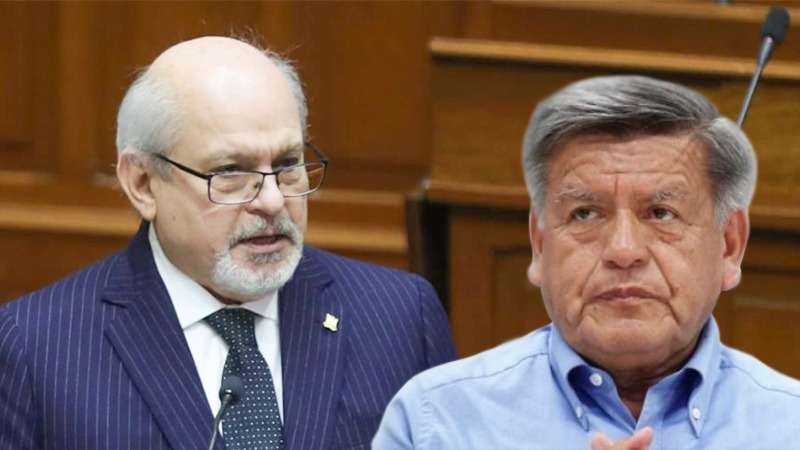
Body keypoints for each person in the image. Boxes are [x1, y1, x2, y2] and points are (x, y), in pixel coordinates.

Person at [0, 36, 456, 450]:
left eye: (288, 164)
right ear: (142, 183)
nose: (272, 201)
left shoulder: (400, 318)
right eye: (231, 173)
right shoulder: (37, 349)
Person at [373, 75, 800, 449]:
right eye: (585, 214)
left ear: (729, 246)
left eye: (661, 213)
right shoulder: (435, 422)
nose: (623, 251)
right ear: (540, 245)